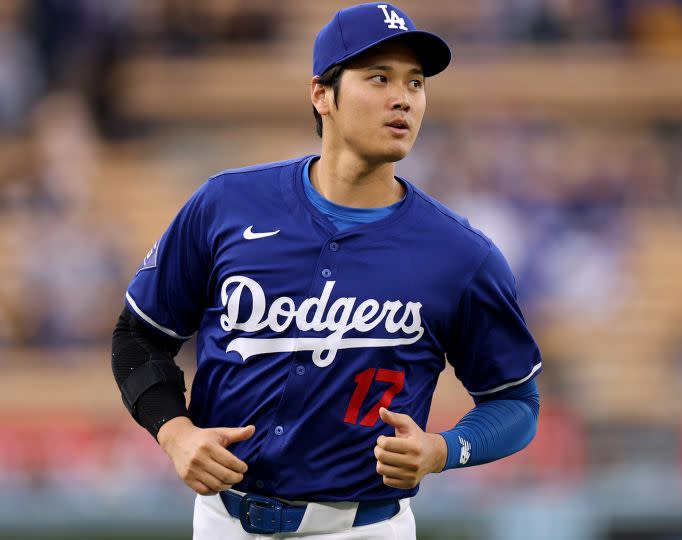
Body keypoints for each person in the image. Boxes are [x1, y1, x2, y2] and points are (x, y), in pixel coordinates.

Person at [110, 4, 542, 539]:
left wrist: (442, 450)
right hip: (224, 522)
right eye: (378, 77)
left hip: (363, 529)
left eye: (415, 82)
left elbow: (516, 402)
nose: (402, 98)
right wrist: (174, 432)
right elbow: (138, 338)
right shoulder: (227, 204)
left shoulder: (460, 254)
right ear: (322, 94)